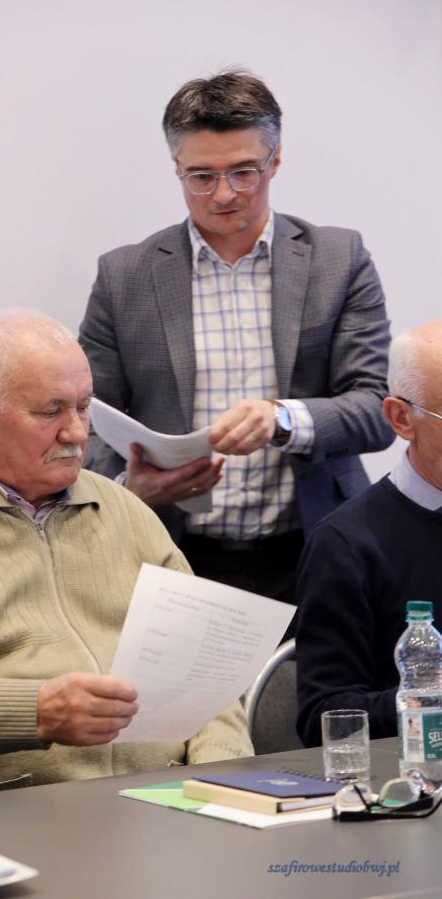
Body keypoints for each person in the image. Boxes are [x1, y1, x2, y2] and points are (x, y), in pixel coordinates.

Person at [0, 310, 250, 804]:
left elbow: (208, 676)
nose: (76, 433)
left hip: (162, 807)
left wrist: (217, 786)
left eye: (83, 407)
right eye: (50, 411)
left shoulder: (127, 513)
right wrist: (36, 712)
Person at [79, 69, 393, 617]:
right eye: (201, 176)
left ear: (276, 160)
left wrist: (282, 419)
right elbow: (84, 418)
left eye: (244, 172)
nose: (223, 194)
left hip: (315, 547)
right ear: (176, 168)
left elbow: (376, 409)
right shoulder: (124, 276)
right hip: (172, 553)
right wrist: (129, 487)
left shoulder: (338, 260)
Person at [296, 321, 442, 747]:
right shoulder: (346, 546)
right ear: (402, 419)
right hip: (410, 774)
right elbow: (324, 719)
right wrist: (427, 703)